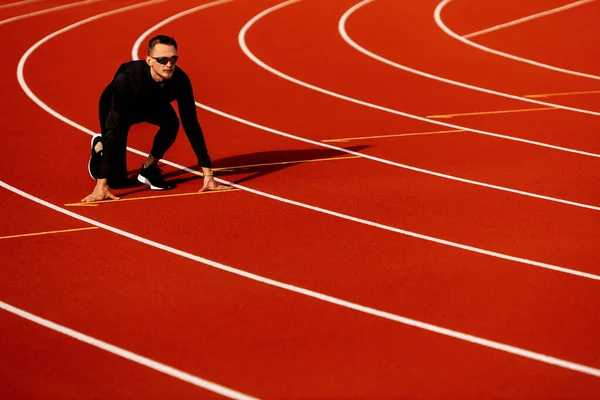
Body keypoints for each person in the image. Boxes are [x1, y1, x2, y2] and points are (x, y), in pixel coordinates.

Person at [82, 35, 229, 203]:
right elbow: (114, 128)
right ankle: (99, 148)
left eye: (174, 59)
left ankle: (148, 168)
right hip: (118, 108)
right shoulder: (127, 78)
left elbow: (191, 123)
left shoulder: (180, 80)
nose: (169, 64)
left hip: (152, 104)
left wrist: (208, 174)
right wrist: (101, 185)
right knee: (117, 181)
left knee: (172, 123)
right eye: (162, 60)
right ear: (149, 60)